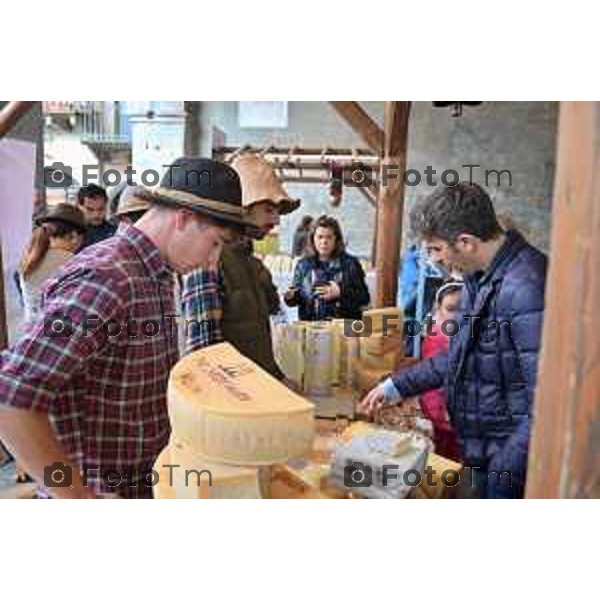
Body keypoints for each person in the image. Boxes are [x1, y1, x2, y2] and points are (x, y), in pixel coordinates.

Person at [0, 157, 258, 499]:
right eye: (214, 243)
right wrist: (76, 498)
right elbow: (11, 401)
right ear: (183, 218)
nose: (213, 261)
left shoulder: (158, 275)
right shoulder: (107, 278)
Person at [361, 182, 547, 499]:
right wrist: (396, 385)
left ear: (466, 242)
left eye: (436, 249)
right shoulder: (481, 278)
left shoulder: (527, 286)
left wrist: (504, 473)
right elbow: (459, 356)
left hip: (509, 463)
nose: (433, 260)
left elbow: (545, 403)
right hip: (485, 450)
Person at [182, 153, 299, 379]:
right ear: (243, 207)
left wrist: (277, 379)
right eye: (268, 209)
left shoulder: (253, 265)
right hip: (230, 404)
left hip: (255, 396)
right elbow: (203, 353)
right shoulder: (207, 259)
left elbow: (258, 340)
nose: (276, 221)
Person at [284, 215, 370, 321]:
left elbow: (364, 298)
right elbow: (298, 297)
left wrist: (340, 292)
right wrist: (290, 296)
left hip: (344, 329)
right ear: (313, 239)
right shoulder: (303, 265)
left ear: (336, 239)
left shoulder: (350, 264)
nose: (324, 242)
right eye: (320, 237)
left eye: (329, 237)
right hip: (312, 328)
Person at [19, 203, 86, 325]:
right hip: (58, 335)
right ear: (75, 236)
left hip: (30, 331)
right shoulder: (74, 262)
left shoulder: (29, 257)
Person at [420, 280, 463, 462]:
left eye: (462, 308)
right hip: (441, 409)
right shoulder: (440, 336)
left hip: (446, 410)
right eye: (451, 308)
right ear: (439, 308)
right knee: (445, 458)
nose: (456, 315)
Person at [77, 183, 117, 249]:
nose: (96, 214)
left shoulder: (116, 232)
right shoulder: (72, 233)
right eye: (90, 209)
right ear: (79, 207)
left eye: (101, 209)